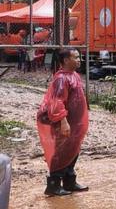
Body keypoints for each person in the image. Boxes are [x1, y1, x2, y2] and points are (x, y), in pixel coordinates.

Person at [36, 48, 89, 196]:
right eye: (76, 57)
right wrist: (63, 121)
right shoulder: (61, 78)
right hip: (64, 121)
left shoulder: (75, 75)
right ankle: (53, 185)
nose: (79, 60)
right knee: (61, 151)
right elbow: (57, 101)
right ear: (66, 60)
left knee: (73, 150)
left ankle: (69, 181)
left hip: (74, 122)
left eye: (79, 57)